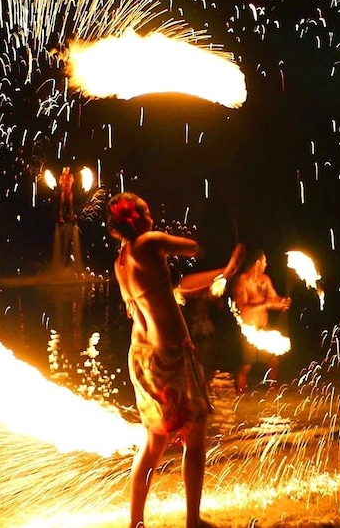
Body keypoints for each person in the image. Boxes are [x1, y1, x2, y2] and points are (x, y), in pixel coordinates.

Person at [107, 192, 242, 528]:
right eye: (145, 207)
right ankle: (193, 521)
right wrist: (222, 256)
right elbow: (194, 247)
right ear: (137, 218)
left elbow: (175, 290)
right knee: (195, 434)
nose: (150, 209)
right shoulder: (150, 243)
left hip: (140, 355)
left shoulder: (122, 260)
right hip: (169, 354)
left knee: (153, 440)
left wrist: (222, 273)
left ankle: (136, 522)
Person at [233, 248, 291, 394]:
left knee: (273, 361)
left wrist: (282, 302)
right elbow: (242, 308)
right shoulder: (242, 281)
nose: (266, 264)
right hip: (248, 329)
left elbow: (273, 299)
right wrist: (266, 304)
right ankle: (241, 397)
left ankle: (272, 394)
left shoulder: (265, 280)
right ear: (258, 262)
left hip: (264, 327)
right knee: (246, 366)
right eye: (264, 261)